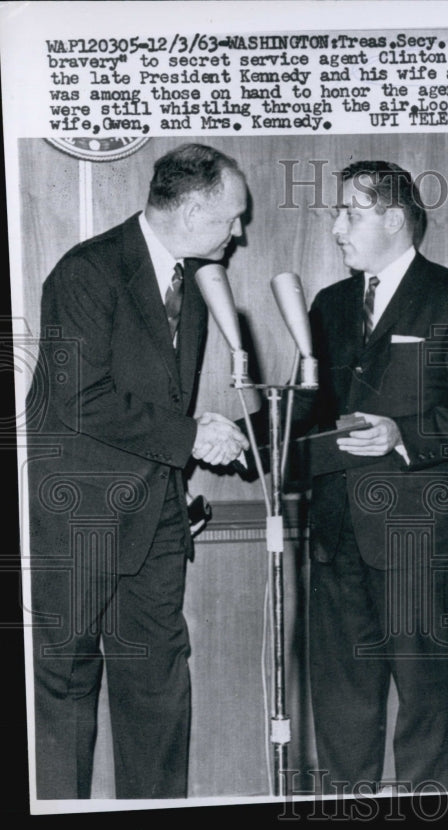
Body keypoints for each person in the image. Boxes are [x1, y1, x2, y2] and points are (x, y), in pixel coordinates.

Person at [26, 143, 251, 799]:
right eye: (232, 217)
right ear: (195, 207)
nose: (239, 232)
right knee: (66, 685)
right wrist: (190, 435)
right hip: (81, 519)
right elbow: (79, 397)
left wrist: (198, 436)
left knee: (156, 684)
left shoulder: (197, 282)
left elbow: (154, 400)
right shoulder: (87, 272)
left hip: (154, 517)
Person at [292, 160, 448, 792]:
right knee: (340, 694)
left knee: (421, 694)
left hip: (419, 533)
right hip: (335, 534)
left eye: (351, 215)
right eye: (337, 214)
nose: (337, 228)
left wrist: (403, 434)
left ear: (394, 219)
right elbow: (309, 411)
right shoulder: (329, 304)